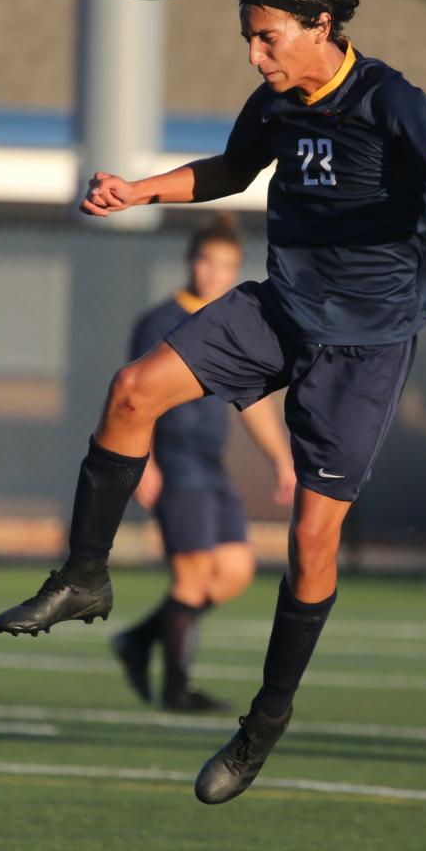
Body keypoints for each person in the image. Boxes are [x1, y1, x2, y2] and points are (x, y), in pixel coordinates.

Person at [0, 0, 426, 805]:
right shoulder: (274, 105)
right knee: (133, 389)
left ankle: (264, 723)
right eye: (249, 38)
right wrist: (141, 186)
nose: (255, 55)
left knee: (308, 540)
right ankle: (85, 575)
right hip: (281, 307)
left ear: (318, 27)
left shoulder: (392, 99)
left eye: (267, 39)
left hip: (366, 345)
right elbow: (230, 168)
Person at [113, 215, 295, 713]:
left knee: (234, 570)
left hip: (212, 467)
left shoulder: (235, 322)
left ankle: (138, 640)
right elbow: (132, 397)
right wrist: (142, 463)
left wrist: (281, 458)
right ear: (191, 261)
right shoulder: (158, 320)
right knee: (191, 577)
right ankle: (177, 688)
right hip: (175, 462)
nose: (215, 275)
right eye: (207, 262)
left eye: (226, 267)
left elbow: (252, 399)